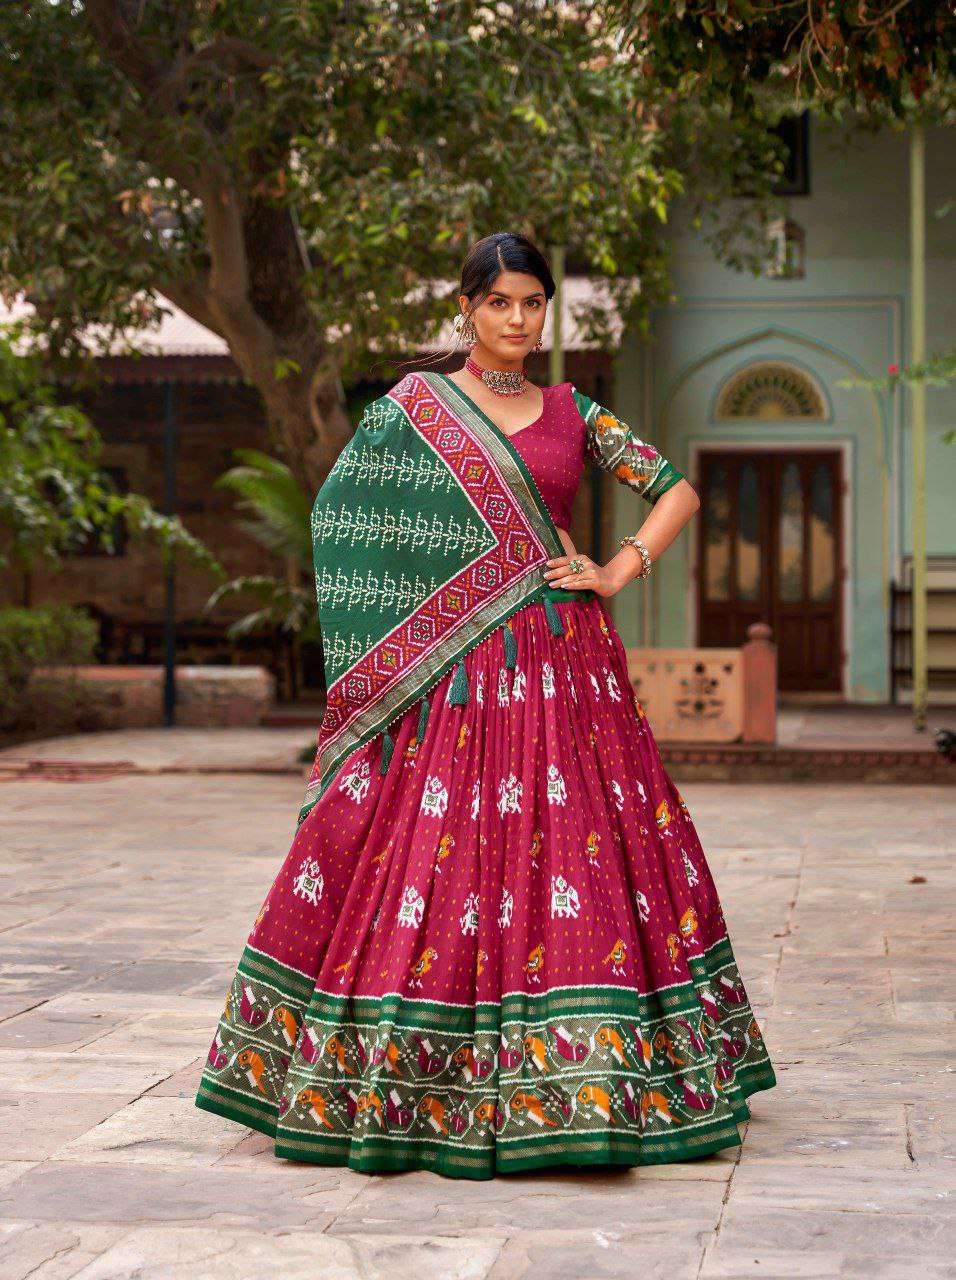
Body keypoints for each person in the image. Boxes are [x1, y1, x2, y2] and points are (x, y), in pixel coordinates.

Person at [195, 231, 777, 1179]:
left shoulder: (575, 412)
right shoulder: (416, 410)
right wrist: (419, 629)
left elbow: (677, 491)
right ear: (465, 308)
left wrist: (617, 569)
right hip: (457, 674)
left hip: (564, 662)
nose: (516, 319)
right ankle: (423, 1074)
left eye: (532, 303)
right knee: (444, 852)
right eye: (498, 302)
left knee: (584, 844)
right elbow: (346, 517)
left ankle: (597, 1072)